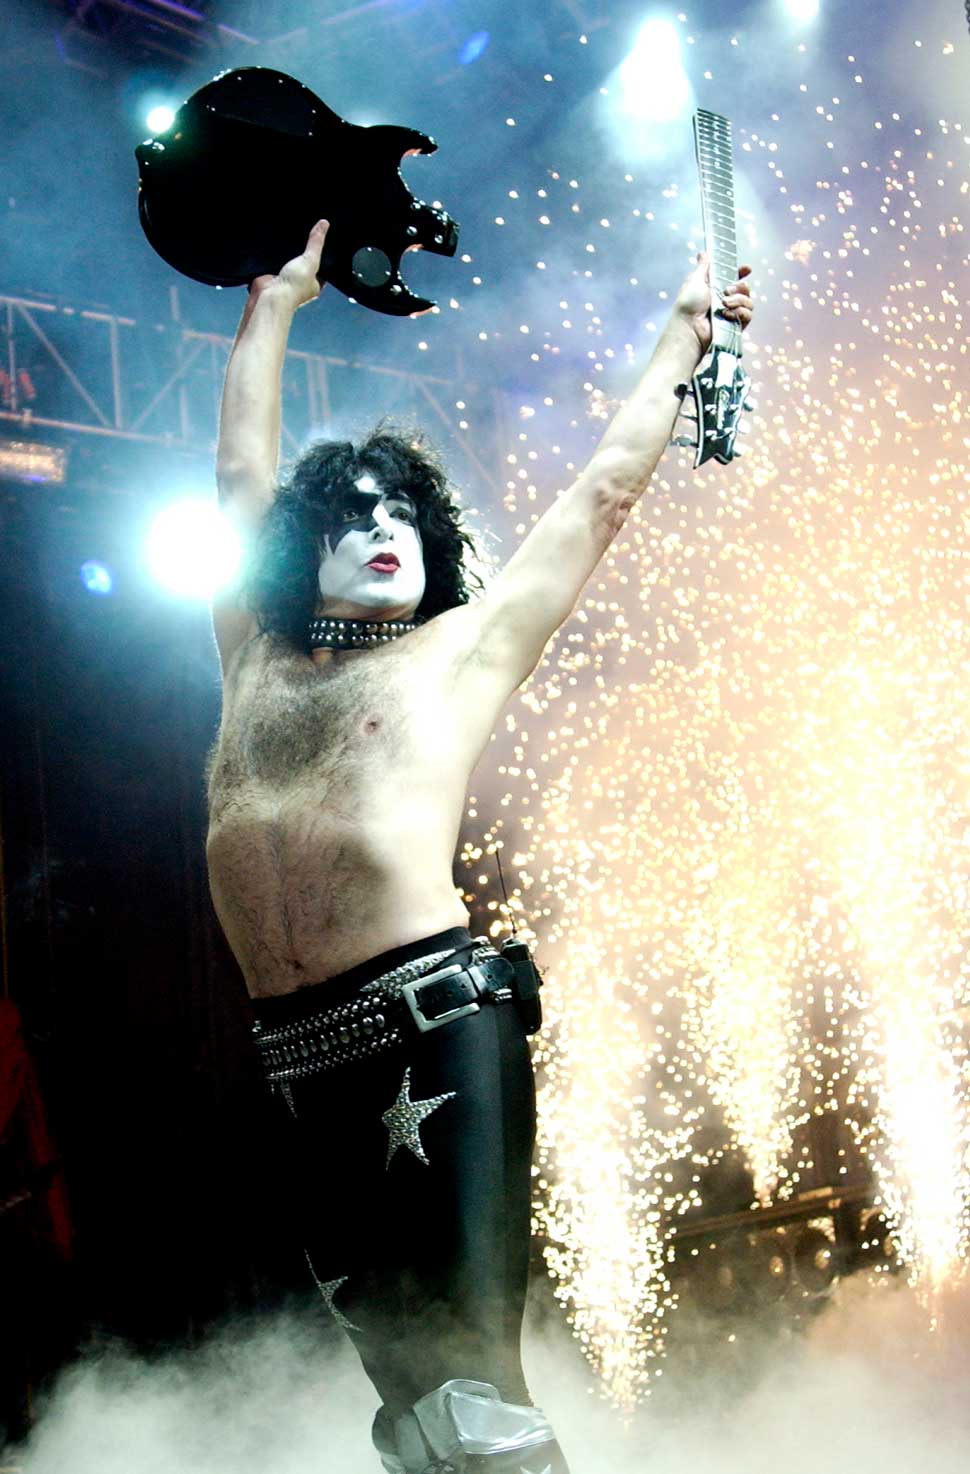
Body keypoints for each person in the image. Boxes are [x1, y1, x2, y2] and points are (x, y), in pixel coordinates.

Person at [206, 218, 753, 1473]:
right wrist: (271, 310)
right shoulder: (251, 655)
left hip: (428, 1020)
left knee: (466, 1391)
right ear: (302, 551)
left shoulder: (456, 650)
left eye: (403, 508)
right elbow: (240, 472)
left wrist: (685, 335)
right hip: (301, 1055)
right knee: (404, 1402)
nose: (384, 523)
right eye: (352, 512)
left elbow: (600, 494)